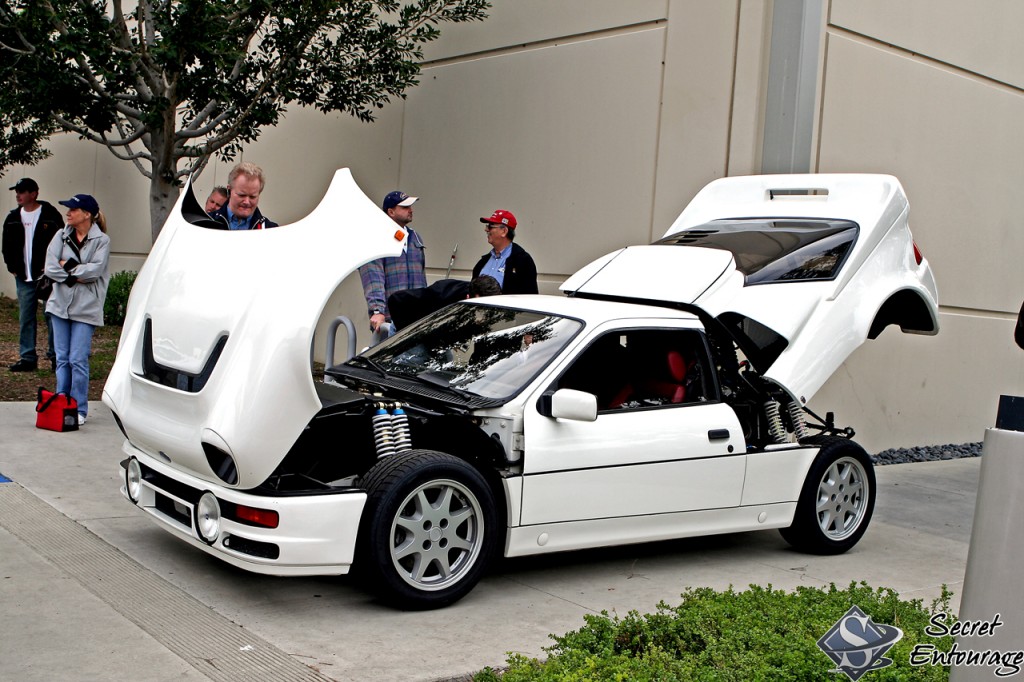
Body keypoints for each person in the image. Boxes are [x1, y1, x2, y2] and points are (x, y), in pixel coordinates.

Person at [44, 193, 111, 425]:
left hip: (87, 308)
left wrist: (68, 267)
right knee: (61, 358)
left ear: (87, 214)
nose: (68, 213)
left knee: (77, 359)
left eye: (73, 209)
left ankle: (79, 408)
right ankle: (61, 402)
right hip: (59, 306)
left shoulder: (101, 240)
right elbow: (51, 268)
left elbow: (94, 272)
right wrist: (75, 274)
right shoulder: (60, 236)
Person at [2, 178, 64, 372]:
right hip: (23, 276)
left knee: (52, 315)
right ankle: (28, 357)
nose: (18, 195)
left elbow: (62, 241)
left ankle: (56, 357)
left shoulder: (50, 215)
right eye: (17, 191)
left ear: (34, 193)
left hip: (47, 276)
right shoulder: (12, 217)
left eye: (22, 191)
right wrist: (12, 267)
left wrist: (53, 267)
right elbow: (6, 246)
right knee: (26, 317)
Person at [358, 191, 426, 344]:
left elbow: (422, 278)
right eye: (405, 206)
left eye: (411, 206)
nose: (411, 210)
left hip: (416, 318)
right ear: (391, 212)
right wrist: (377, 311)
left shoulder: (415, 237)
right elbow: (373, 278)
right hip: (391, 319)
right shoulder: (376, 239)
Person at [387, 275, 501, 332]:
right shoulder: (441, 295)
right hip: (407, 325)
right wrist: (406, 336)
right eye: (480, 306)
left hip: (432, 334)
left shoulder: (487, 298)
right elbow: (395, 299)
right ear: (468, 298)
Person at [472, 209, 538, 295]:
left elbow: (530, 296)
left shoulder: (523, 261)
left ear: (504, 231)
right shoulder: (483, 262)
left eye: (490, 226)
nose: (486, 230)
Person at [208, 163, 278, 230]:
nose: (247, 202)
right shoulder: (206, 224)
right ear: (229, 191)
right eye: (242, 195)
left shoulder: (270, 230)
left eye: (252, 197)